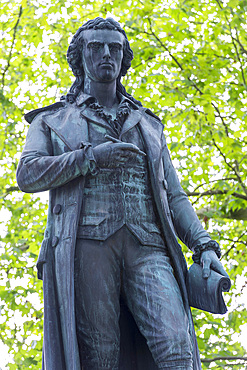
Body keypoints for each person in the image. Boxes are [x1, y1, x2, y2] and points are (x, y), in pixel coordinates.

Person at [16, 17, 227, 370]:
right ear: (80, 56)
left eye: (114, 48)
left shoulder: (148, 124)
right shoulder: (51, 120)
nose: (106, 54)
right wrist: (88, 158)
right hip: (87, 245)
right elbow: (28, 173)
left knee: (177, 346)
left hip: (149, 247)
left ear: (123, 58)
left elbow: (174, 196)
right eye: (96, 47)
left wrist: (204, 245)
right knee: (99, 356)